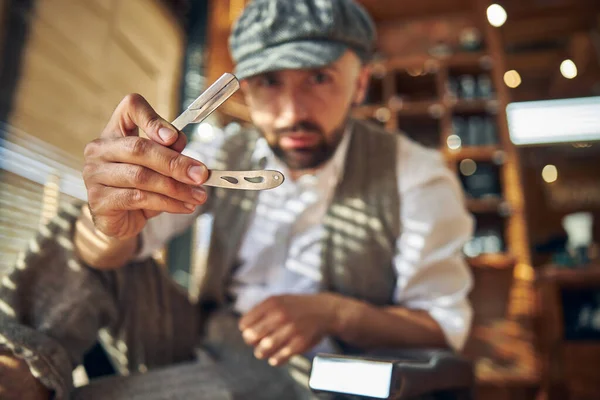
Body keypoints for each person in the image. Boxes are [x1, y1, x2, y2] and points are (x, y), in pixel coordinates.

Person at [0, 0, 474, 399]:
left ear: (360, 82)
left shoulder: (415, 177)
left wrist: (336, 313)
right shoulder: (223, 152)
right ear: (244, 87)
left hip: (314, 374)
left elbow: (442, 326)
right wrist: (108, 222)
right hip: (201, 337)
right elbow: (109, 251)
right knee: (85, 229)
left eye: (320, 78)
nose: (292, 112)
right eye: (269, 82)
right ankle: (22, 367)